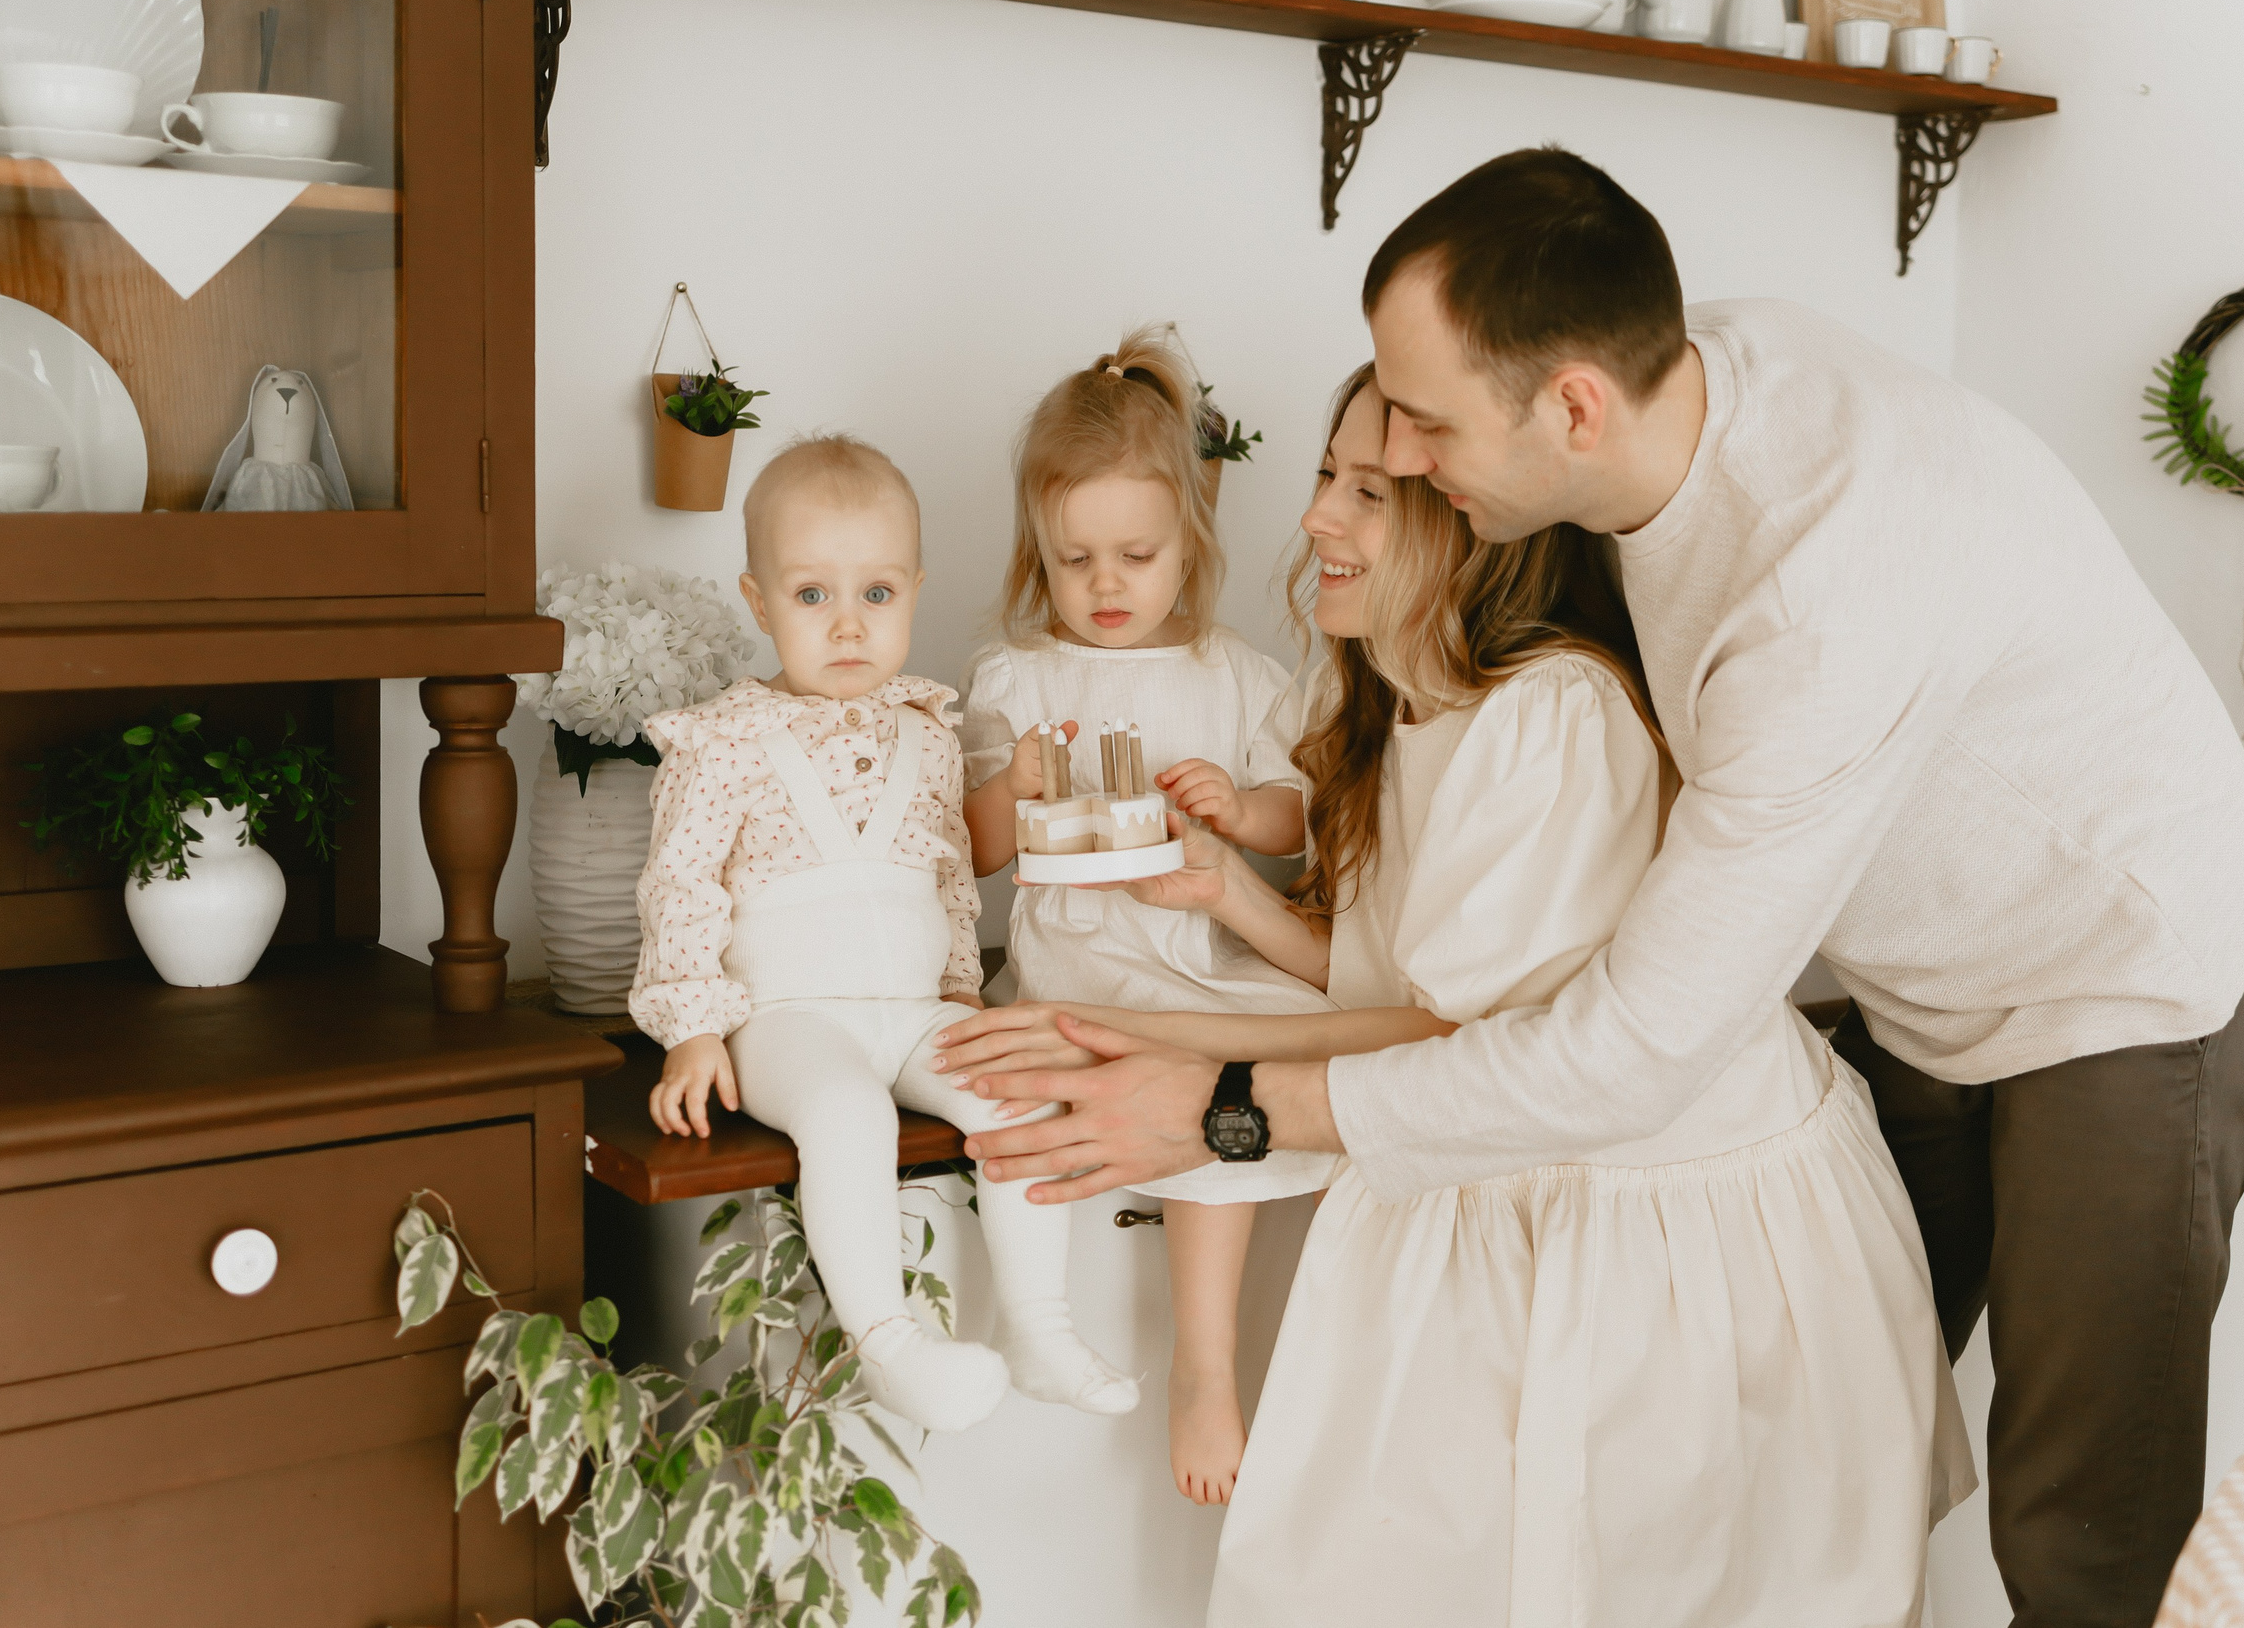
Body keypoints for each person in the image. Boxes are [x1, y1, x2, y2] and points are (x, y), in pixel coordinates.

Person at [956, 150, 2244, 1628]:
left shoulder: (1819, 597)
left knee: (2078, 1531)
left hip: (2121, 973)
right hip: (1915, 989)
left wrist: (1216, 1097)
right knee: (1815, 1437)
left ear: (1571, 409)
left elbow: (1629, 1046)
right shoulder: (1680, 380)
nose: (1397, 461)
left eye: (1418, 424)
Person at [937, 365, 1969, 1627]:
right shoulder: (1373, 700)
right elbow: (1382, 973)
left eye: (1367, 491)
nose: (1316, 517)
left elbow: (1461, 1033)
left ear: (1470, 516)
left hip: (1664, 1225)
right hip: (1473, 1176)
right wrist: (1226, 909)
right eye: (1326, 477)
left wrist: (1154, 1049)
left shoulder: (1553, 717)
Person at [631, 434, 1136, 1432]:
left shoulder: (929, 732)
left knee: (1022, 1098)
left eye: (876, 594)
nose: (848, 624)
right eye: (813, 595)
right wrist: (692, 1027)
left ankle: (1038, 1327)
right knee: (848, 1116)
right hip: (786, 1018)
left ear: (912, 590)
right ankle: (891, 1343)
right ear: (758, 599)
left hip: (912, 1009)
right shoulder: (724, 738)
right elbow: (678, 884)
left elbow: (948, 875)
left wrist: (958, 991)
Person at [958, 326, 1339, 1504]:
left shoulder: (1235, 677)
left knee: (1228, 1072)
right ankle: (1047, 1322)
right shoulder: (1017, 680)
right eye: (1074, 560)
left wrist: (1237, 808)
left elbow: (1298, 818)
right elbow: (962, 858)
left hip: (1189, 962)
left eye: (1135, 553)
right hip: (1074, 979)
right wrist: (1008, 788)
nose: (1105, 585)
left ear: (1191, 542)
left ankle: (1205, 1361)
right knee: (1074, 1070)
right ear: (1038, 551)